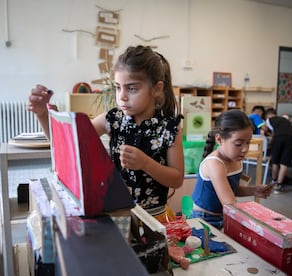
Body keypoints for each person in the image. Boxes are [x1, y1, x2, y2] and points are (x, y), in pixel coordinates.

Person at [27, 45, 185, 223]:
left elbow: (177, 179)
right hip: (118, 215)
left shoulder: (170, 128)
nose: (122, 96)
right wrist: (43, 115)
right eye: (118, 87)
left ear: (156, 89)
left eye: (131, 88)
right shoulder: (112, 119)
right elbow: (68, 144)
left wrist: (146, 163)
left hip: (155, 220)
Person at [190, 110, 273, 229]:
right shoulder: (214, 164)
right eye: (238, 144)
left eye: (248, 142)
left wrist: (254, 190)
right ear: (219, 140)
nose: (245, 149)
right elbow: (230, 204)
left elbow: (232, 190)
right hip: (203, 221)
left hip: (223, 217)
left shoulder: (236, 158)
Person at [264, 108, 292, 193]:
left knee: (275, 161)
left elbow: (270, 131)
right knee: (284, 163)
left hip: (278, 139)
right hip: (290, 139)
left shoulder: (268, 120)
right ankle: (279, 185)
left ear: (268, 115)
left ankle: (274, 181)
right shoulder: (285, 119)